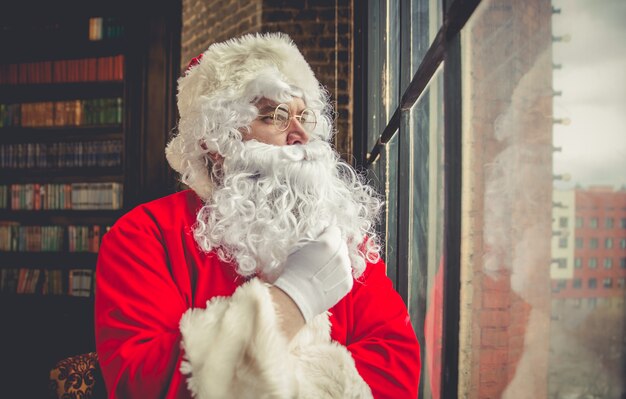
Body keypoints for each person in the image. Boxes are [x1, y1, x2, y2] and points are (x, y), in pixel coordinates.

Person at [95, 32, 421, 399]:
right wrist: (294, 298)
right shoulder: (144, 235)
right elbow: (142, 384)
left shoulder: (341, 231)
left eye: (303, 116)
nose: (300, 134)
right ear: (216, 142)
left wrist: (269, 379)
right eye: (275, 116)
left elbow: (396, 364)